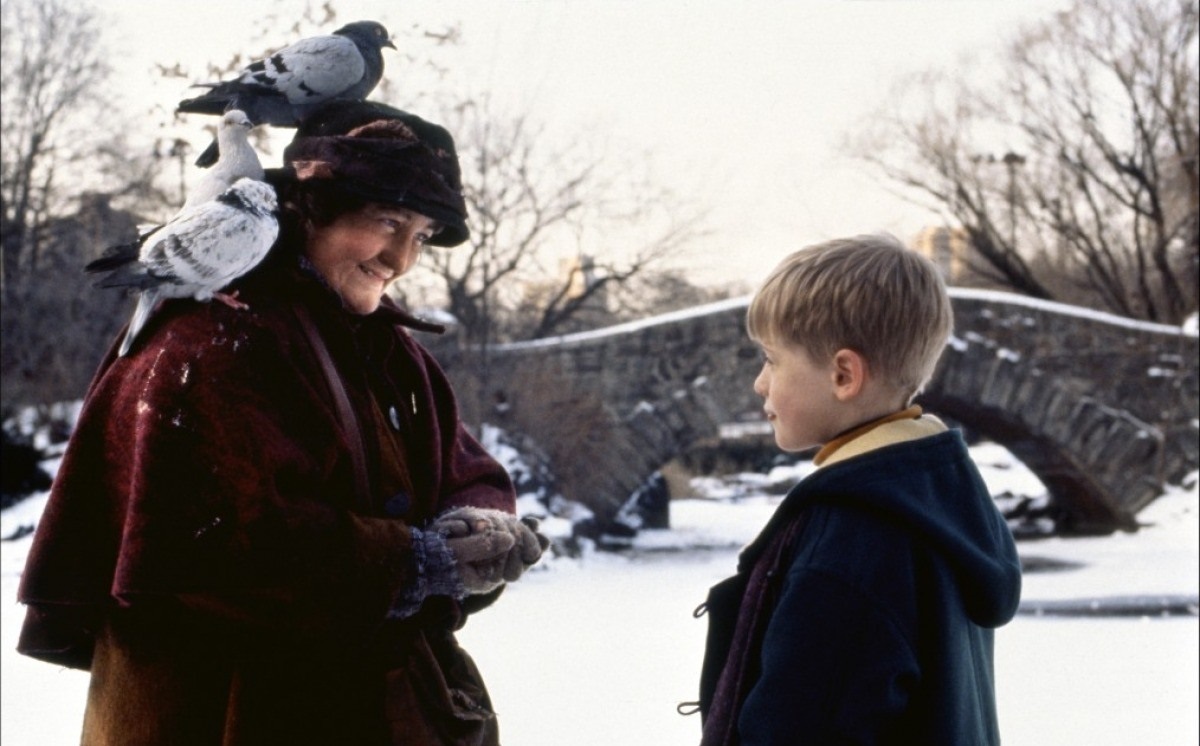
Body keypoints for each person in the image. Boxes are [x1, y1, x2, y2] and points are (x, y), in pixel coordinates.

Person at [17, 100, 548, 746]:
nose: (402, 259)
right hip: (225, 717)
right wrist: (413, 564)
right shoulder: (209, 343)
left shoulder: (384, 348)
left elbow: (462, 466)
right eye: (387, 221)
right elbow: (221, 545)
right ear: (310, 209)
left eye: (422, 234)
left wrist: (478, 527)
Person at [694, 234, 1022, 745]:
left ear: (844, 374)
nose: (760, 382)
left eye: (772, 360)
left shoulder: (851, 543)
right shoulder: (938, 502)